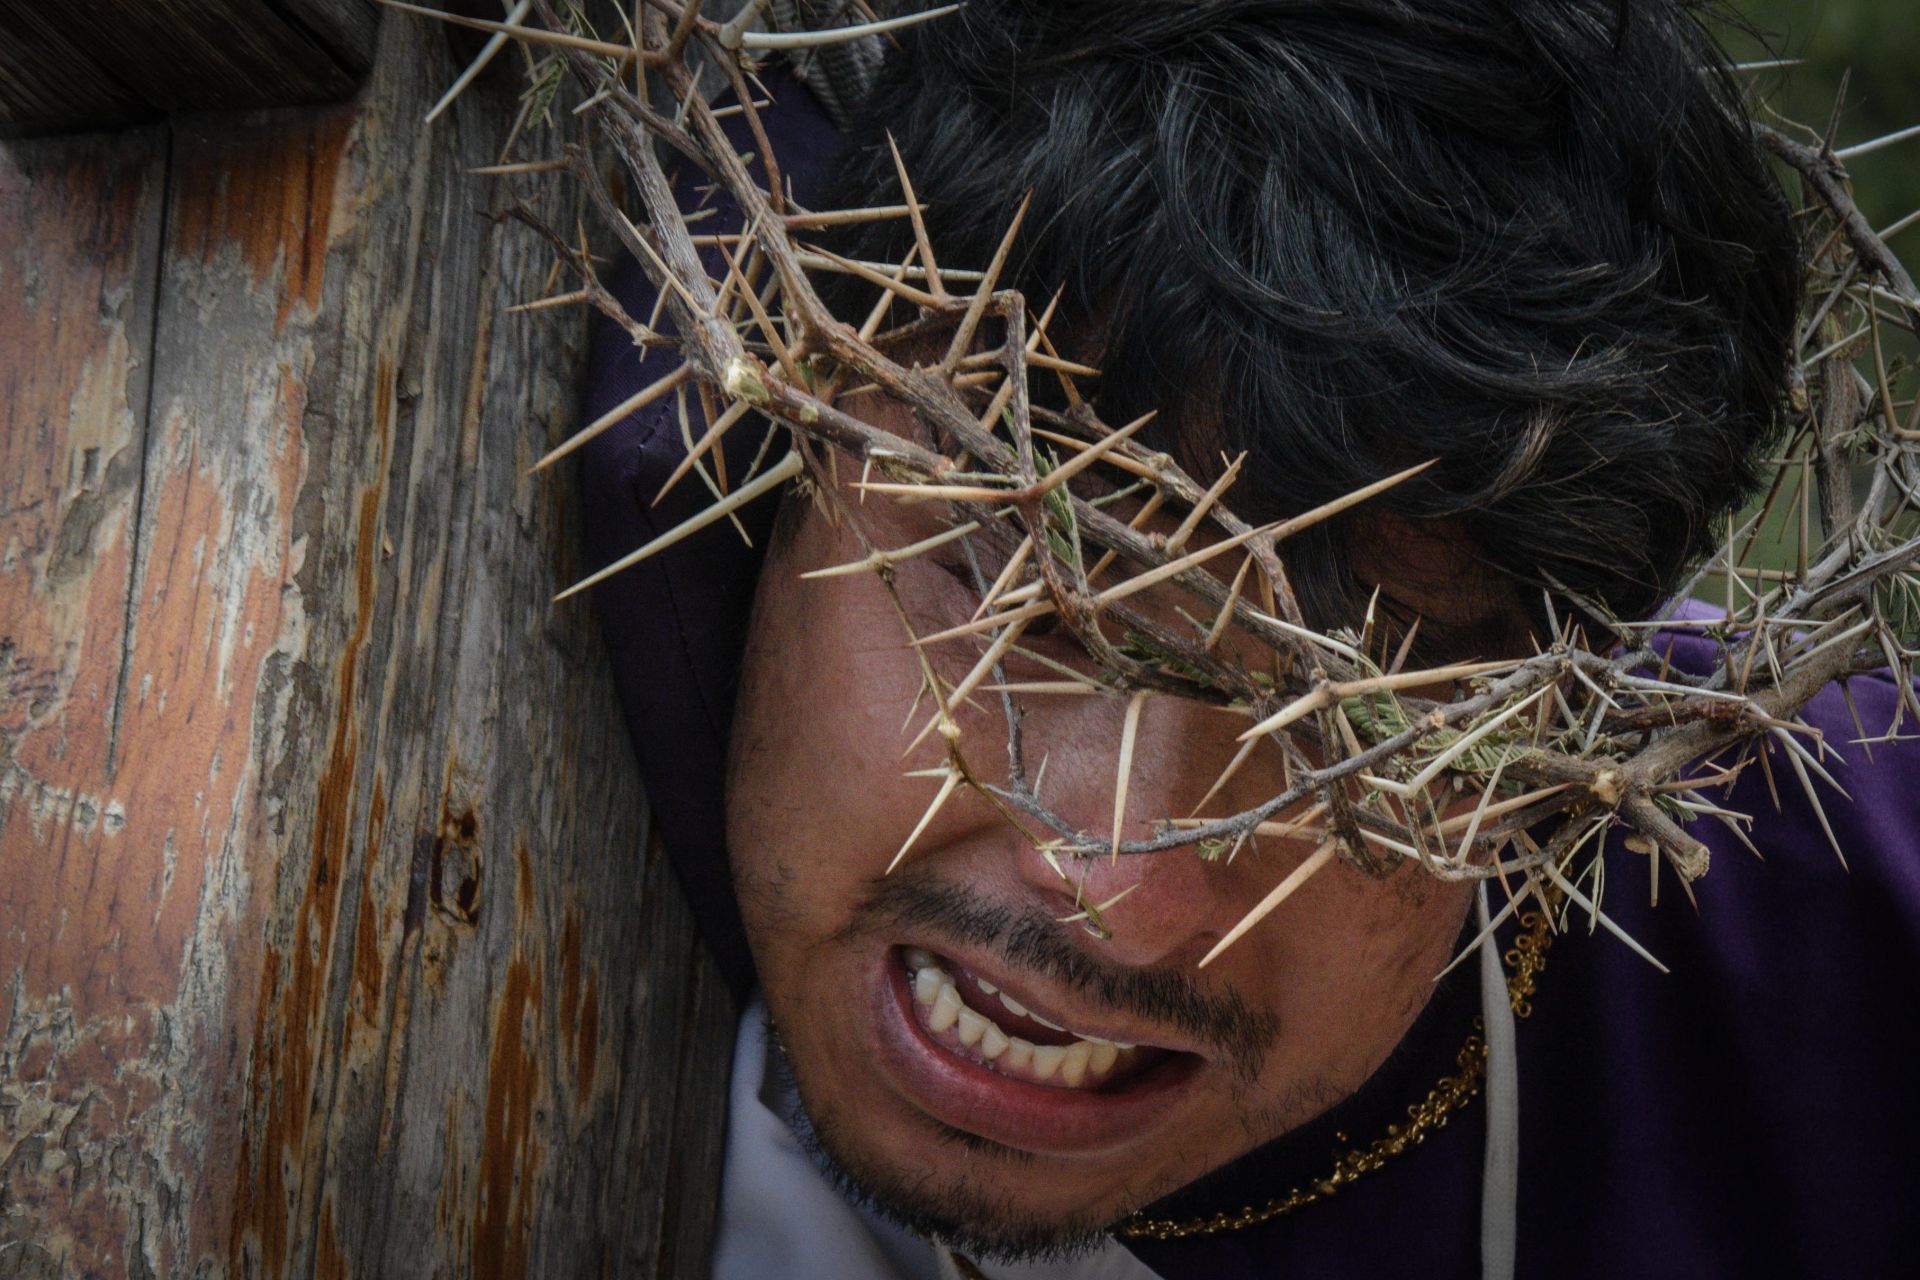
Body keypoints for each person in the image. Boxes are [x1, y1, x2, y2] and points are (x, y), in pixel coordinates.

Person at [577, 3, 1920, 1277]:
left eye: (1354, 727)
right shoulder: (493, 477)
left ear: (1571, 737)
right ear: (801, 408)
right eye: (1032, 601)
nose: (1123, 884)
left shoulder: (1847, 921)